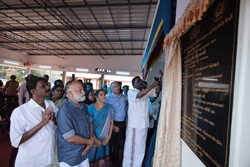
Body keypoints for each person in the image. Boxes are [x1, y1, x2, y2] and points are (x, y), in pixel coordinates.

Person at [10, 76, 58, 166]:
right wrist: (42, 124)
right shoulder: (20, 112)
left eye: (47, 85)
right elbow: (16, 142)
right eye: (43, 86)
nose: (48, 88)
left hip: (48, 159)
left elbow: (58, 124)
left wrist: (54, 119)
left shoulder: (50, 104)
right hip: (31, 161)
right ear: (33, 91)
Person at [123, 70, 163, 167]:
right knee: (131, 148)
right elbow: (140, 95)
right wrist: (153, 84)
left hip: (144, 125)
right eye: (138, 82)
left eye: (141, 81)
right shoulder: (131, 92)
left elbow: (157, 91)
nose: (141, 83)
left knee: (140, 148)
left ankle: (138, 165)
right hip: (134, 125)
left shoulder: (145, 92)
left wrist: (160, 79)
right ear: (133, 84)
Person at [57, 80, 94, 167]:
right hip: (70, 155)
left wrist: (90, 141)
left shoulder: (83, 105)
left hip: (83, 152)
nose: (83, 92)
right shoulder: (64, 111)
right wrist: (89, 142)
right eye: (80, 90)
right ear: (70, 93)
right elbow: (70, 137)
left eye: (83, 89)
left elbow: (90, 123)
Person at [87, 89, 114, 162]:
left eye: (104, 94)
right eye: (101, 95)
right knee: (92, 159)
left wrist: (108, 138)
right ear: (96, 97)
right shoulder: (90, 108)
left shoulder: (109, 108)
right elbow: (88, 124)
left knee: (103, 160)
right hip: (93, 138)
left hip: (105, 138)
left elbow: (111, 123)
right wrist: (95, 139)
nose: (104, 96)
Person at [105, 81, 127, 167]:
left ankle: (116, 163)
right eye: (115, 86)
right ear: (111, 88)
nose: (117, 88)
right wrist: (113, 126)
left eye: (118, 86)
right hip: (112, 124)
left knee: (118, 144)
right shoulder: (108, 99)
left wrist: (126, 121)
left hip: (122, 124)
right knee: (110, 145)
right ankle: (108, 163)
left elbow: (126, 110)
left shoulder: (123, 97)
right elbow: (106, 113)